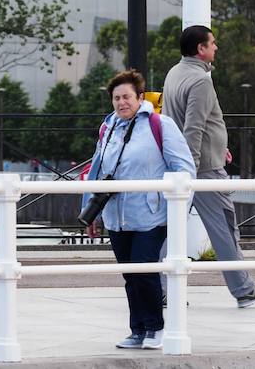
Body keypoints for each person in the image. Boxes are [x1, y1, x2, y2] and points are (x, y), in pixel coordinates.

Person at [161, 25, 255, 308]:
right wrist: (191, 169)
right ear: (201, 49)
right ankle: (244, 289)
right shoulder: (201, 80)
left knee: (170, 229)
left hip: (182, 165)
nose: (216, 48)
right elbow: (194, 127)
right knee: (225, 228)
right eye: (212, 43)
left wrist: (213, 148)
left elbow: (170, 121)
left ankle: (162, 289)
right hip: (202, 170)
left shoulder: (174, 73)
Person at [83, 69, 196, 350]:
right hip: (117, 216)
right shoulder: (108, 127)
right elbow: (97, 170)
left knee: (145, 271)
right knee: (130, 275)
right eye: (116, 98)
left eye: (127, 97)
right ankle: (137, 330)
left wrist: (179, 207)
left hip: (151, 214)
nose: (122, 102)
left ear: (140, 98)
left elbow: (184, 168)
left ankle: (155, 327)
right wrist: (90, 209)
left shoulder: (160, 124)